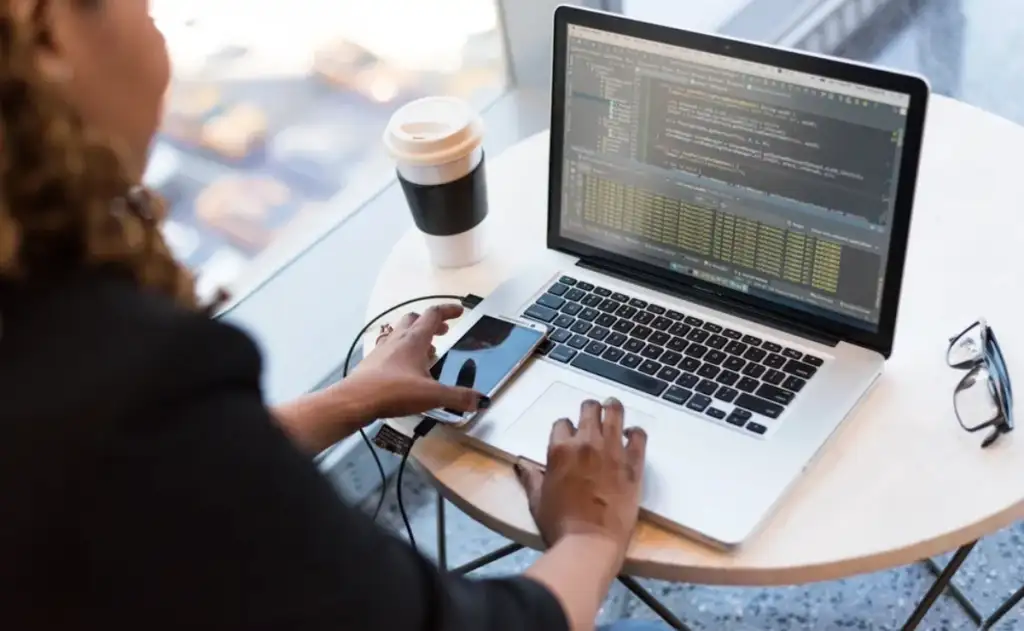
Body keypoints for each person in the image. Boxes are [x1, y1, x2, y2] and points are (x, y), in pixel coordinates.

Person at [0, 2, 665, 630]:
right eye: (146, 12)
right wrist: (589, 532)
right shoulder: (128, 374)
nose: (160, 39)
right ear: (50, 37)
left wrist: (349, 398)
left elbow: (148, 482)